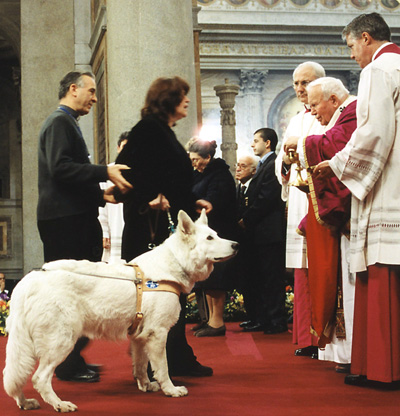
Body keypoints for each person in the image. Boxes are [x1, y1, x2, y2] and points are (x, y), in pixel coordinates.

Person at [314, 13, 400, 386]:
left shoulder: (378, 70)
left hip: (388, 181)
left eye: (350, 46)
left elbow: (373, 132)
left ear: (366, 38)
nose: (351, 56)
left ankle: (383, 370)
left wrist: (336, 165)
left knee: (382, 269)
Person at [37, 70, 132, 383]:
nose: (94, 98)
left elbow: (65, 175)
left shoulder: (66, 123)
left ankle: (71, 359)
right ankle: (64, 364)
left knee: (78, 293)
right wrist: (103, 170)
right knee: (68, 295)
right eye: (90, 91)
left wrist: (100, 194)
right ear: (73, 89)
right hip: (65, 222)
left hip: (69, 217)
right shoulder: (59, 122)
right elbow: (60, 168)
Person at [115, 76, 213, 377]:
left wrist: (193, 200)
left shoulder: (164, 131)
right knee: (160, 297)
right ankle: (161, 365)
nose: (186, 100)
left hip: (162, 226)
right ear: (167, 99)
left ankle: (175, 359)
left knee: (170, 297)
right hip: (149, 226)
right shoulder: (148, 129)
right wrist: (149, 197)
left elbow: (170, 179)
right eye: (182, 95)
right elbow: (124, 167)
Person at [285, 77, 357, 372]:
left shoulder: (352, 113)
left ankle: (353, 352)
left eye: (315, 104)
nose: (311, 111)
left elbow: (339, 144)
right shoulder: (336, 116)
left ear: (333, 99)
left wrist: (302, 146)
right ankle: (345, 351)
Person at [275, 61, 325, 358]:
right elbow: (283, 162)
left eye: (305, 82)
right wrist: (285, 162)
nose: (299, 88)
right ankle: (306, 336)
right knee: (302, 270)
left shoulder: (329, 116)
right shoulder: (295, 120)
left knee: (321, 267)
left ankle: (324, 337)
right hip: (298, 197)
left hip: (319, 196)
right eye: (296, 83)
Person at [186, 137, 238, 337]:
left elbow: (214, 202)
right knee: (207, 277)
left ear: (208, 157)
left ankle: (217, 322)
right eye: (191, 159)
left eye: (197, 159)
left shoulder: (220, 175)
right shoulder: (199, 174)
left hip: (219, 232)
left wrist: (198, 203)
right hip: (204, 234)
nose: (194, 163)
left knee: (217, 278)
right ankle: (208, 319)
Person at [238, 128, 287, 334]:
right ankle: (264, 318)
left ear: (267, 143)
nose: (252, 144)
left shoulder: (273, 164)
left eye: (256, 140)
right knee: (262, 278)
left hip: (270, 232)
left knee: (272, 278)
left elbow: (266, 198)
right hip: (262, 233)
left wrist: (246, 219)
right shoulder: (265, 165)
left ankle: (276, 320)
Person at [235, 154, 258, 328]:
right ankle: (251, 315)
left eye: (243, 166)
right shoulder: (238, 188)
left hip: (255, 239)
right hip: (241, 240)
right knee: (246, 279)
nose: (238, 169)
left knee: (256, 279)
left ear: (253, 170)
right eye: (237, 165)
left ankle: (259, 317)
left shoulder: (254, 187)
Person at [99, 131, 129, 264]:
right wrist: (104, 231)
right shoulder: (108, 172)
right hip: (114, 225)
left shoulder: (140, 172)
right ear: (118, 148)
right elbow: (102, 206)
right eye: (124, 147)